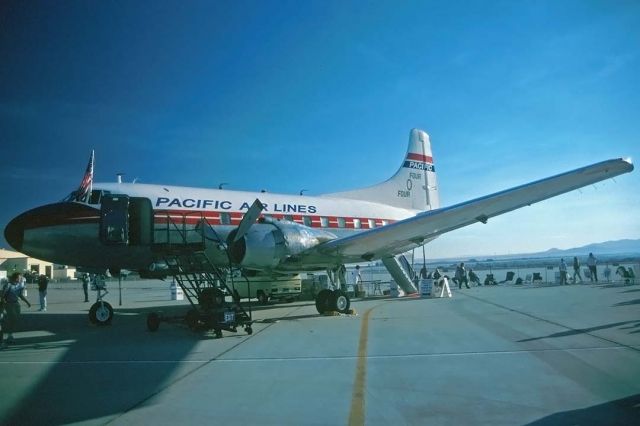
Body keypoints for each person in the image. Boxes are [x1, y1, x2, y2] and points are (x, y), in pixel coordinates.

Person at [1, 272, 31, 345]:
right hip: (9, 304)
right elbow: (2, 295)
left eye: (20, 277)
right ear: (15, 278)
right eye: (19, 277)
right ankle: (9, 335)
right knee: (13, 317)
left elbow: (20, 295)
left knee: (15, 319)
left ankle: (10, 334)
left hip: (16, 304)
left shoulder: (19, 286)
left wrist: (27, 302)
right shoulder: (8, 285)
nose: (20, 279)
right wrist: (3, 302)